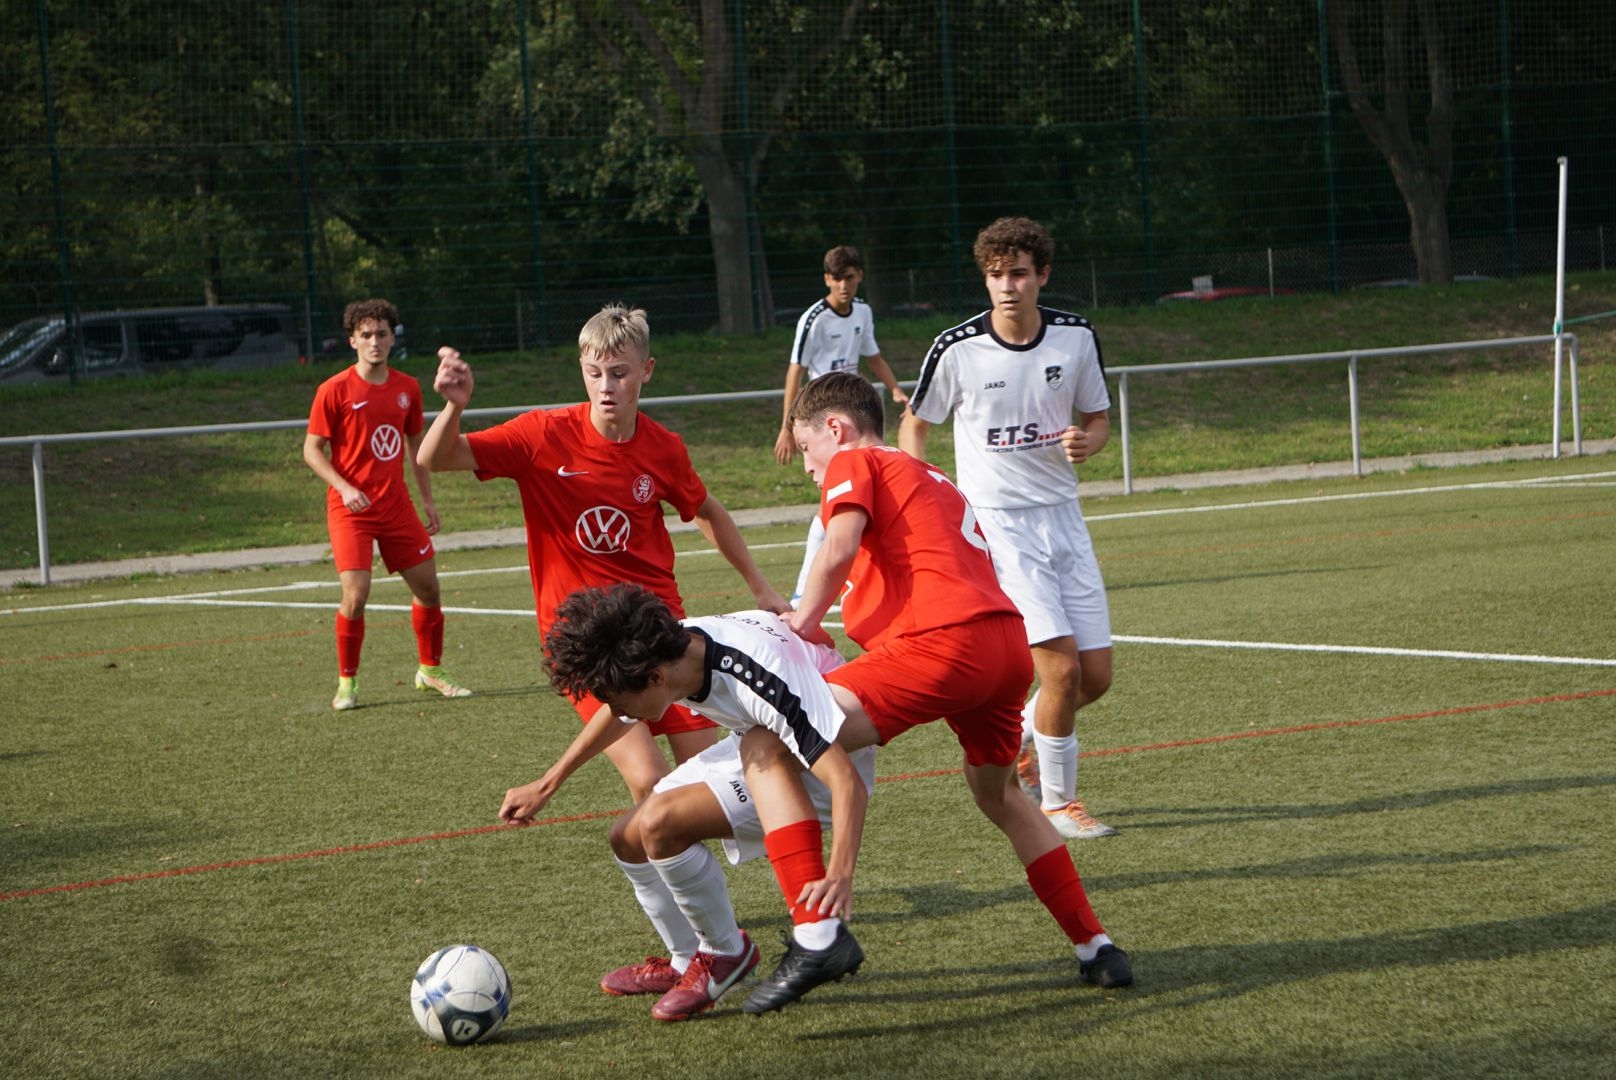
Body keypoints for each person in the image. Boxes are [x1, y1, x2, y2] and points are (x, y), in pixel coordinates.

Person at [732, 370, 1131, 1014]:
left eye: (806, 448)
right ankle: (1097, 946)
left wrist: (800, 620)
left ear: (834, 428)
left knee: (767, 737)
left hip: (941, 648)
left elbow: (840, 546)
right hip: (1004, 648)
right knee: (1000, 793)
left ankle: (816, 935)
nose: (806, 465)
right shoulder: (927, 472)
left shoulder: (855, 460)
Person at [417, 303, 789, 801]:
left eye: (618, 373)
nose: (605, 386)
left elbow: (705, 510)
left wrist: (760, 586)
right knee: (649, 779)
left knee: (708, 776)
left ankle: (688, 846)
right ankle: (659, 852)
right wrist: (454, 407)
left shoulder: (663, 448)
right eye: (594, 373)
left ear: (646, 370)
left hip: (658, 626)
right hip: (585, 636)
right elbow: (435, 457)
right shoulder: (542, 435)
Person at [499, 584, 877, 1022]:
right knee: (627, 838)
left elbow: (846, 782)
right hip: (760, 738)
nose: (621, 712)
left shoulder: (755, 674)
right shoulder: (666, 647)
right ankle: (684, 962)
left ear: (655, 680)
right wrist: (548, 783)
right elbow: (620, 711)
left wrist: (840, 874)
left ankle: (725, 954)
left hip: (818, 766)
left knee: (659, 823)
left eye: (620, 701)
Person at [899, 216, 1117, 841]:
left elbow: (1098, 417)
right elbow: (915, 424)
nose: (1006, 286)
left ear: (1042, 275)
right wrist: (921, 497)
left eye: (1018, 274)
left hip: (1064, 520)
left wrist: (1090, 441)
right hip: (1000, 528)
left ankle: (1022, 736)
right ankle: (1058, 804)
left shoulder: (1075, 338)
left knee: (1094, 677)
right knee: (1061, 674)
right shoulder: (957, 347)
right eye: (995, 275)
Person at [302, 298, 471, 711]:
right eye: (366, 335)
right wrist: (344, 488)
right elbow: (311, 450)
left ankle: (430, 670)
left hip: (396, 507)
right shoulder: (333, 390)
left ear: (392, 339)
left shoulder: (407, 388)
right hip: (351, 511)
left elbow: (417, 448)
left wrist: (427, 500)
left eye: (382, 334)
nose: (374, 341)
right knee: (356, 595)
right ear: (352, 341)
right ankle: (347, 683)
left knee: (429, 589)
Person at [774, 245, 909, 603]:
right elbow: (795, 371)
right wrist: (788, 426)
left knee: (866, 484)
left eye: (849, 277)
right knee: (837, 495)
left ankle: (872, 573)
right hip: (824, 417)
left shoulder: (863, 311)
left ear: (859, 276)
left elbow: (873, 355)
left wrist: (895, 388)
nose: (843, 285)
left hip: (855, 411)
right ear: (826, 280)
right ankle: (804, 591)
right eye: (836, 279)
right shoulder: (814, 318)